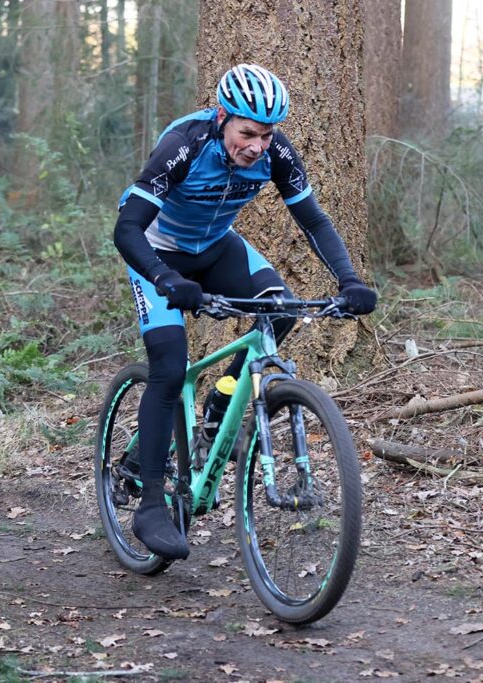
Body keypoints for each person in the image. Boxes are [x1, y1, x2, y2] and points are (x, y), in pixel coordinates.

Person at [113, 64, 377, 560]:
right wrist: (167, 279)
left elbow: (314, 221)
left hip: (216, 246)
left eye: (267, 133)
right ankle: (150, 503)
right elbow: (126, 229)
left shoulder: (277, 154)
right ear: (221, 117)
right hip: (156, 251)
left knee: (280, 310)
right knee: (169, 368)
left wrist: (350, 281)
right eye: (247, 133)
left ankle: (219, 405)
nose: (257, 145)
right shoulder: (185, 145)